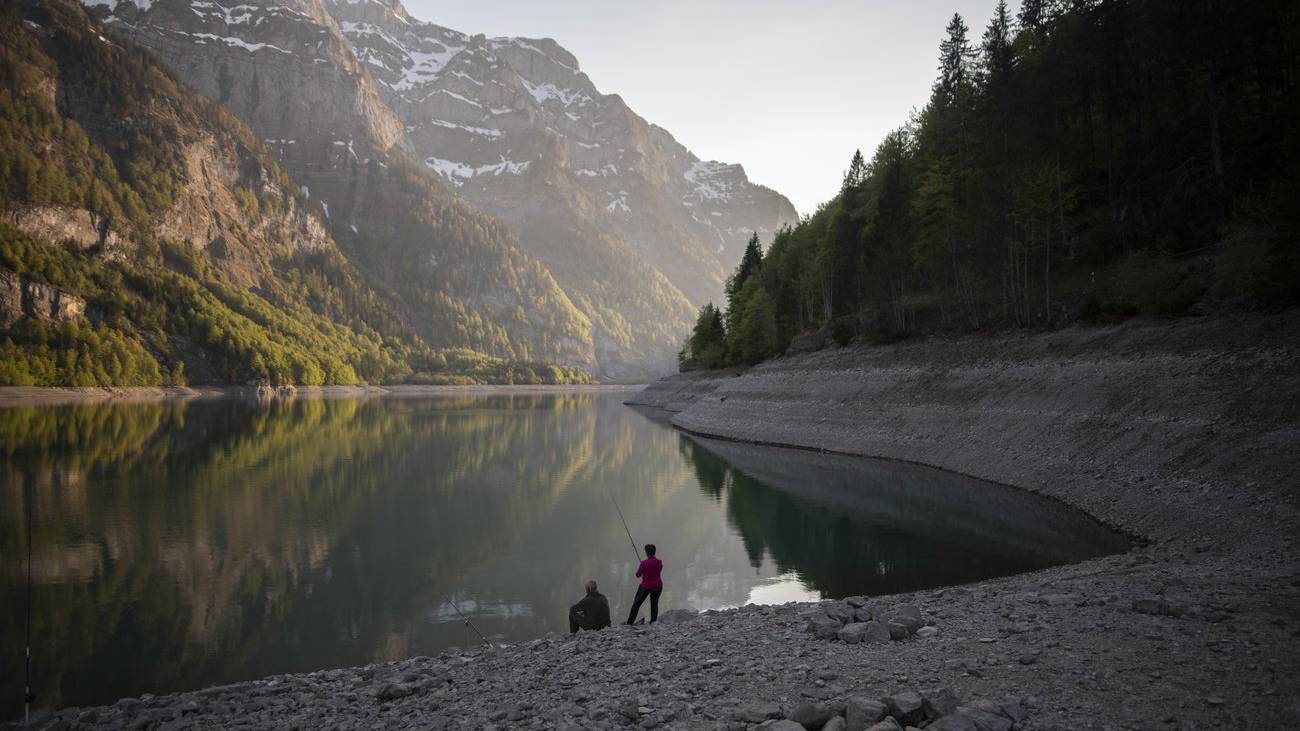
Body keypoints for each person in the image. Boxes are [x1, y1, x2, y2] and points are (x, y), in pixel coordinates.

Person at [626, 543, 663, 624]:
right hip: (658, 585)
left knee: (636, 604)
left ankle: (629, 623)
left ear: (646, 552)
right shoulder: (659, 562)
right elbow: (659, 570)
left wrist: (644, 573)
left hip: (646, 586)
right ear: (654, 552)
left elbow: (637, 575)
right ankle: (653, 621)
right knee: (654, 604)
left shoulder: (643, 563)